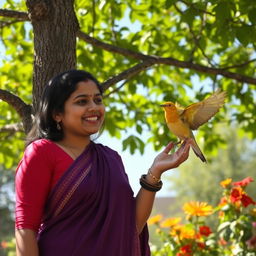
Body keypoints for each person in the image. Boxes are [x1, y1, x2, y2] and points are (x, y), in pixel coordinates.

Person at [15, 69, 191, 256]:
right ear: (57, 113)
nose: (94, 107)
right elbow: (25, 228)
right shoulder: (41, 152)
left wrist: (155, 172)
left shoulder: (111, 158)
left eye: (98, 100)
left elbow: (131, 227)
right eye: (82, 101)